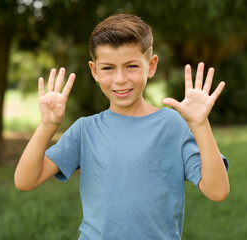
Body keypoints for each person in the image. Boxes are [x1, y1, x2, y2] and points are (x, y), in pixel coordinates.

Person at [14, 14, 230, 240]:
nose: (120, 79)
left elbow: (218, 191)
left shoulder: (172, 126)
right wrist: (47, 125)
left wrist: (200, 124)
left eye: (132, 66)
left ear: (151, 66)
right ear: (94, 70)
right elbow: (25, 180)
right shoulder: (85, 131)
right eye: (108, 68)